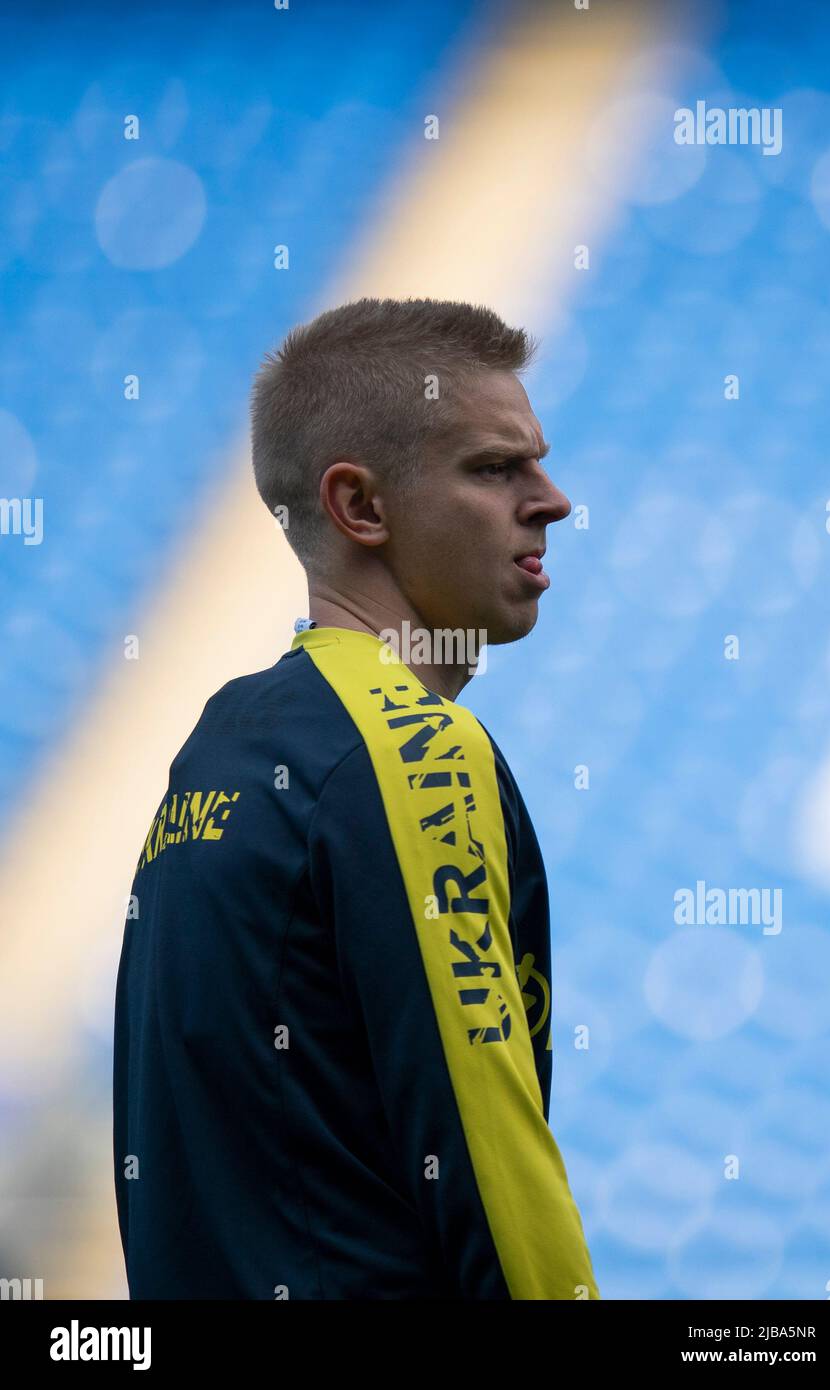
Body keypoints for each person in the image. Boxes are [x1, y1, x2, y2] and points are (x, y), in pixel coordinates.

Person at [113, 296, 601, 1300]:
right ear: (361, 507)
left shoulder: (216, 753)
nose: (551, 500)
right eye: (495, 467)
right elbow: (486, 1157)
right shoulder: (413, 745)